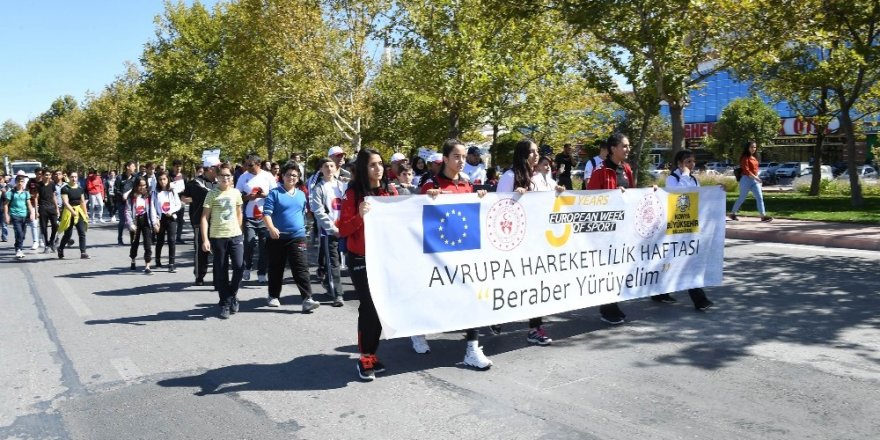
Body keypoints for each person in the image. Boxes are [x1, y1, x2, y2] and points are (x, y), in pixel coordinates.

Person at [414, 139, 495, 367]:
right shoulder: (431, 183)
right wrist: (426, 198)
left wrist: (479, 200)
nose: (461, 161)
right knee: (434, 296)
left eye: (463, 156)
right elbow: (414, 213)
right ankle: (418, 329)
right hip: (436, 255)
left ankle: (472, 348)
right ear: (446, 158)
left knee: (472, 295)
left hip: (463, 251)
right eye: (456, 157)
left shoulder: (467, 184)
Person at [338, 149, 398, 381]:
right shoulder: (353, 193)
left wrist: (434, 195)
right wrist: (359, 216)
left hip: (384, 258)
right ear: (363, 168)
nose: (378, 168)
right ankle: (365, 356)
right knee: (369, 306)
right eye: (373, 165)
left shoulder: (389, 191)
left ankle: (372, 354)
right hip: (361, 259)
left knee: (380, 307)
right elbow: (342, 229)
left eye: (381, 164)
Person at [497, 140, 562, 345]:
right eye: (531, 152)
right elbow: (497, 206)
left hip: (536, 240)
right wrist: (516, 198)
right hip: (513, 241)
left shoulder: (536, 178)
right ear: (522, 154)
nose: (536, 156)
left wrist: (557, 194)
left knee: (537, 284)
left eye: (536, 152)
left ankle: (535, 328)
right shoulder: (509, 177)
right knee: (509, 284)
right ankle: (496, 316)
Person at [587, 133, 635, 325]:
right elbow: (589, 199)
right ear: (613, 148)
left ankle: (612, 304)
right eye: (624, 146)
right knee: (606, 269)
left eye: (628, 146)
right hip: (604, 230)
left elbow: (632, 194)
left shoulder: (627, 169)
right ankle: (607, 308)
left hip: (621, 229)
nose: (627, 149)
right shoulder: (600, 171)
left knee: (617, 268)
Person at [263, 162, 321, 312]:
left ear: (298, 178)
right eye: (288, 174)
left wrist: (307, 226)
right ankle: (273, 296)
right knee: (276, 268)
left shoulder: (301, 194)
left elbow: (303, 213)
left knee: (301, 268)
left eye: (295, 175)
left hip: (297, 236)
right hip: (277, 237)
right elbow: (266, 214)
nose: (291, 177)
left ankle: (307, 299)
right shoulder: (274, 193)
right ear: (282, 176)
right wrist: (271, 228)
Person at [662, 149, 715, 310]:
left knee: (684, 261)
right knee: (677, 260)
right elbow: (677, 195)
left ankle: (660, 292)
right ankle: (699, 299)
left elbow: (700, 197)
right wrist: (684, 175)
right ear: (679, 164)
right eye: (687, 162)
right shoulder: (673, 179)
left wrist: (717, 190)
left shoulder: (693, 179)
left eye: (692, 162)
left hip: (690, 226)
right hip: (676, 226)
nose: (691, 165)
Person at [202, 163, 245, 319]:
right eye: (222, 176)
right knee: (221, 270)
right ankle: (225, 303)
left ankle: (231, 295)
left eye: (228, 175)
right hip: (217, 236)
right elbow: (204, 218)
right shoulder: (212, 194)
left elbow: (239, 212)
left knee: (240, 266)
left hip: (235, 235)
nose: (225, 178)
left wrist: (238, 229)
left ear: (232, 178)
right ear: (217, 178)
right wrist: (205, 239)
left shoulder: (236, 193)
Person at [310, 157, 347, 307]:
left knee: (345, 261)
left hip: (345, 230)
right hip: (329, 232)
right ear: (321, 169)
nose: (329, 168)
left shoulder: (342, 185)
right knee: (333, 262)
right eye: (326, 166)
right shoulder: (318, 188)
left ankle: (327, 282)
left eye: (332, 165)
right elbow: (318, 211)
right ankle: (337, 294)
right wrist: (332, 228)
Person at [235, 154, 277, 283]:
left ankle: (262, 272)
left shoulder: (267, 176)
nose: (247, 167)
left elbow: (275, 195)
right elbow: (236, 196)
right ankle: (247, 267)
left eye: (250, 165)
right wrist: (248, 197)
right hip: (249, 217)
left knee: (264, 246)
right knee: (249, 243)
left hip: (265, 217)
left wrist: (265, 195)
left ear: (258, 164)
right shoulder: (243, 177)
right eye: (246, 164)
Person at [180, 159, 218, 286]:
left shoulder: (220, 182)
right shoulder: (195, 183)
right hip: (200, 220)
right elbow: (184, 198)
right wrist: (194, 200)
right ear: (210, 169)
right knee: (202, 250)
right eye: (217, 167)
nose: (219, 170)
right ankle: (199, 276)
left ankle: (218, 278)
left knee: (219, 250)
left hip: (218, 221)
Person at [730, 141, 773, 222]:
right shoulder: (745, 158)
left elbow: (755, 170)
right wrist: (756, 178)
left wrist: (757, 177)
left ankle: (763, 216)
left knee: (759, 197)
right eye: (751, 147)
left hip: (754, 180)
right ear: (747, 148)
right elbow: (746, 170)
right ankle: (732, 213)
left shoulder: (754, 158)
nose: (753, 149)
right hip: (746, 179)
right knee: (742, 198)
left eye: (755, 147)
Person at [126, 177, 159, 273]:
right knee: (134, 243)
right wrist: (130, 224)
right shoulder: (131, 197)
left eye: (144, 185)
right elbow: (127, 211)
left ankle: (147, 266)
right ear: (136, 185)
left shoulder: (148, 196)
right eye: (140, 185)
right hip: (135, 221)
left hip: (146, 221)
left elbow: (152, 210)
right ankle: (133, 259)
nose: (142, 187)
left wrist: (154, 223)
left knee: (148, 244)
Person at [153, 171, 183, 273]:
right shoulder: (155, 192)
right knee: (160, 241)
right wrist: (156, 218)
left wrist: (171, 211)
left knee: (172, 240)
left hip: (171, 218)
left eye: (164, 179)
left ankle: (171, 264)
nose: (162, 181)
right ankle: (157, 260)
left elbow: (178, 204)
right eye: (160, 179)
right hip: (160, 218)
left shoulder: (172, 191)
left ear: (168, 179)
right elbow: (153, 206)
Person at [57, 171, 90, 260]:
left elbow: (82, 202)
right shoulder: (65, 189)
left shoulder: (80, 188)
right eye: (72, 177)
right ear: (69, 177)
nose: (74, 179)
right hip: (69, 212)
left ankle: (83, 252)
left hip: (78, 211)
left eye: (75, 177)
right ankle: (60, 249)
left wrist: (85, 213)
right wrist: (72, 211)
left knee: (82, 232)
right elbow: (66, 202)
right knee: (68, 234)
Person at [4, 175, 33, 259]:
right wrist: (6, 215)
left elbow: (29, 204)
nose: (20, 183)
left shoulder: (26, 192)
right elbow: (6, 205)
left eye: (22, 182)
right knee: (19, 233)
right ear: (16, 182)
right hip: (15, 215)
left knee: (22, 235)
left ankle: (18, 245)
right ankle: (19, 249)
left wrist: (32, 213)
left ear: (24, 183)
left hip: (24, 215)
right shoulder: (11, 192)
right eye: (18, 182)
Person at [114, 161, 138, 245]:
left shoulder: (135, 177)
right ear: (128, 167)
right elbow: (116, 190)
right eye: (133, 166)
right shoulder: (120, 177)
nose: (134, 168)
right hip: (122, 202)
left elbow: (137, 188)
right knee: (122, 221)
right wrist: (122, 196)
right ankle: (120, 238)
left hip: (133, 202)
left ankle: (133, 239)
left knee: (133, 220)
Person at [36, 169, 59, 253]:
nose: (48, 176)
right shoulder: (38, 185)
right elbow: (36, 198)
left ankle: (51, 241)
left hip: (52, 207)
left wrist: (56, 208)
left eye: (49, 175)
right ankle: (46, 245)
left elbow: (54, 196)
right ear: (42, 176)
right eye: (46, 175)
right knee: (44, 227)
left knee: (55, 225)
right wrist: (36, 210)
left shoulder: (52, 184)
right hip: (42, 208)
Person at [171, 160, 187, 245]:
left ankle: (178, 237)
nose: (178, 168)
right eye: (177, 166)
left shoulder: (184, 177)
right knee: (172, 219)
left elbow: (187, 190)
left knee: (180, 220)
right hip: (172, 201)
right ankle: (172, 236)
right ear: (173, 167)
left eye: (180, 166)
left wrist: (184, 199)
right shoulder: (169, 176)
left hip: (181, 201)